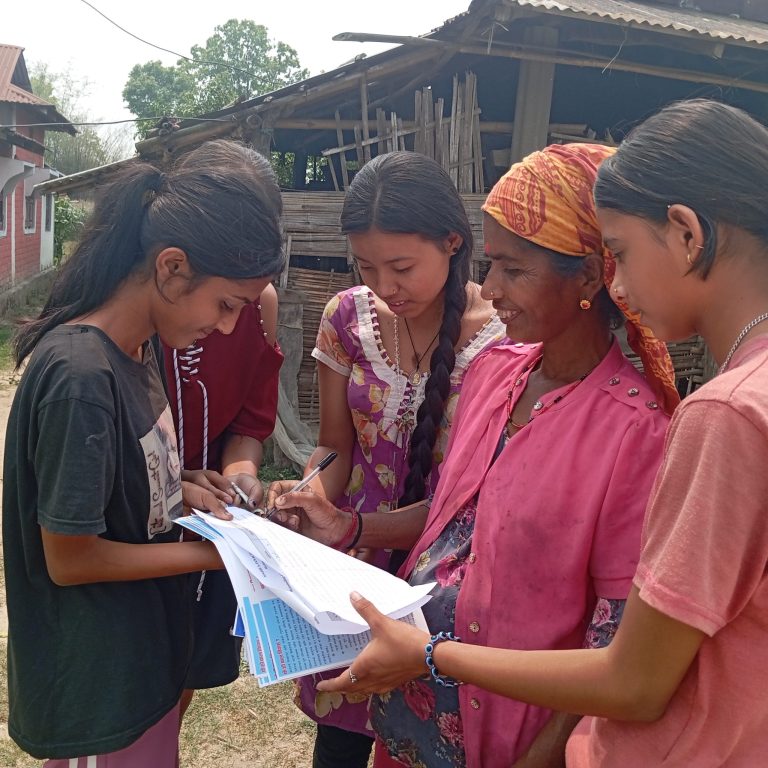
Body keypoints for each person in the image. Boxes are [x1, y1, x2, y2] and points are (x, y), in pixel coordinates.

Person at [302, 99, 768, 767]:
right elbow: (458, 519)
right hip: (419, 717)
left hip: (521, 734)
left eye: (620, 254)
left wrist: (433, 656)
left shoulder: (670, 424)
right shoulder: (495, 371)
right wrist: (353, 531)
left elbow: (626, 667)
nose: (487, 289)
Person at [2, 138, 284, 766]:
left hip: (143, 665)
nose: (231, 326)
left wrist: (184, 486)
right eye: (227, 304)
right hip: (97, 689)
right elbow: (71, 558)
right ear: (171, 268)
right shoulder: (80, 377)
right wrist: (213, 556)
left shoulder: (139, 351)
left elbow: (121, 477)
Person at [288, 151, 506, 767]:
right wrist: (310, 496)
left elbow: (472, 499)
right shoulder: (348, 319)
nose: (385, 286)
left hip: (444, 579)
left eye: (403, 266)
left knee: (421, 741)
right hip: (349, 572)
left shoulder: (502, 340)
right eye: (366, 265)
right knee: (339, 736)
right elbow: (335, 445)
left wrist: (354, 526)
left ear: (452, 242)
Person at [162, 282, 283, 719]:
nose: (230, 321)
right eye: (227, 304)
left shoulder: (258, 305)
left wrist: (240, 478)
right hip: (137, 508)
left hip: (208, 517)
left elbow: (249, 424)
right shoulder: (134, 307)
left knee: (183, 670)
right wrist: (173, 486)